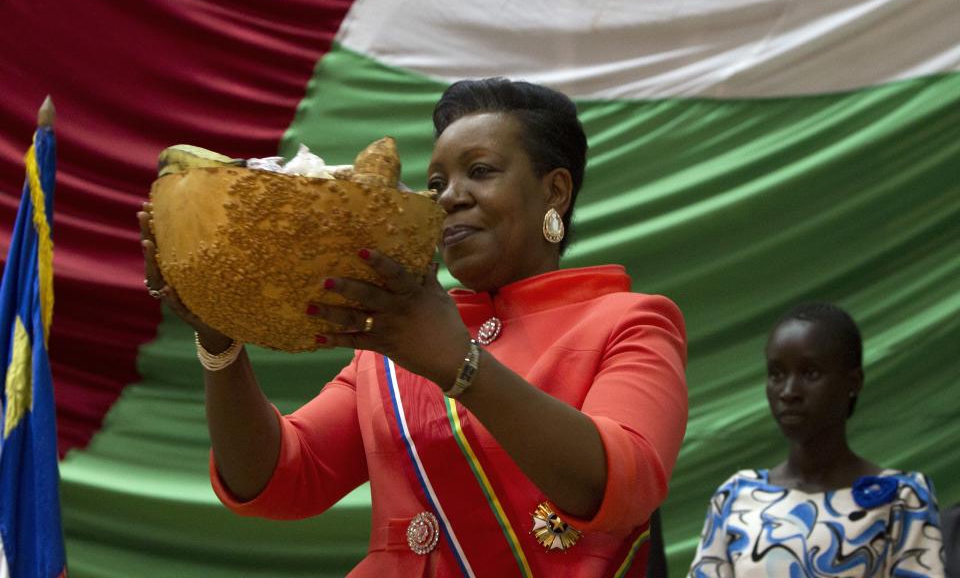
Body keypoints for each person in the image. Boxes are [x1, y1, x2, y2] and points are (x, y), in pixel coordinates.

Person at [140, 78, 688, 576]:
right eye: (436, 181)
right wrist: (220, 337)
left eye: (480, 171)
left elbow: (623, 485)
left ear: (556, 192)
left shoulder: (631, 321)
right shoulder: (392, 338)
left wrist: (455, 361)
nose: (449, 196)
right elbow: (277, 479)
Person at [688, 303, 945, 577]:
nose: (788, 392)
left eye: (810, 373)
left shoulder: (902, 498)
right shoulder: (736, 495)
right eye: (776, 374)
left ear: (853, 382)